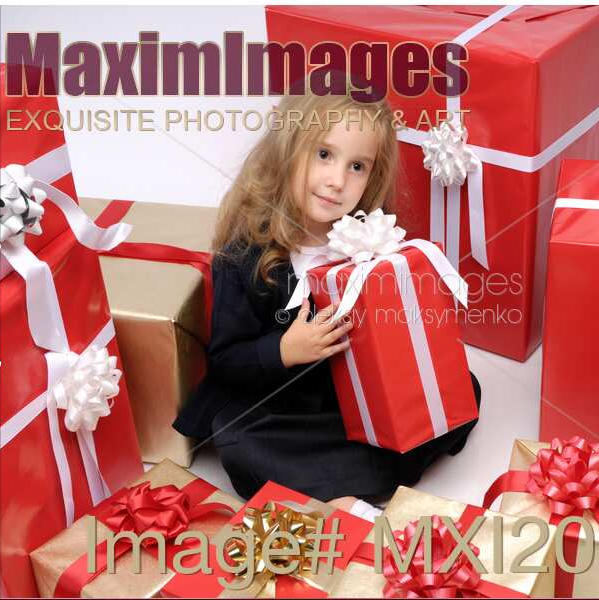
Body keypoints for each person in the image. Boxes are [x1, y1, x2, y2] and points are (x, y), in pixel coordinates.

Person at [173, 84, 481, 516]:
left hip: (346, 404)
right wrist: (285, 350)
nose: (338, 181)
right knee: (238, 438)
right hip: (279, 406)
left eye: (357, 166)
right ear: (287, 150)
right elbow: (227, 360)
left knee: (464, 388)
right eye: (324, 155)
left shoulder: (367, 241)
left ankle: (342, 473)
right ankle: (347, 494)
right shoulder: (244, 254)